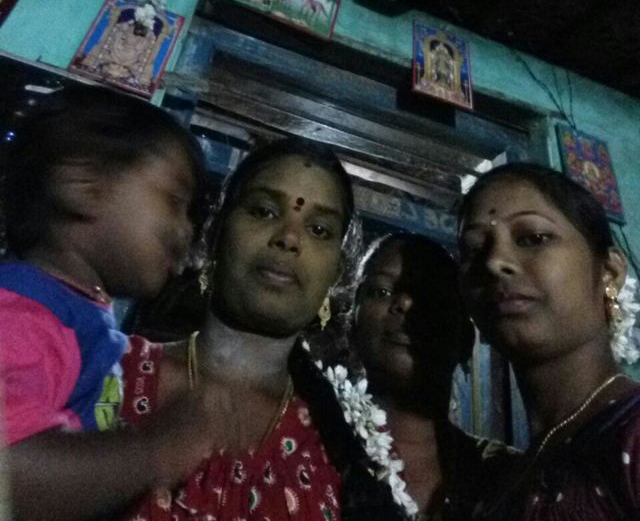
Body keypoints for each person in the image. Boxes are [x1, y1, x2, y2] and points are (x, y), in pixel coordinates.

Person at [119, 137, 405, 521]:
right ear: (215, 234)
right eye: (264, 211)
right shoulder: (113, 373)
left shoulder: (341, 446)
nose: (289, 238)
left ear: (335, 274)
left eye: (319, 229)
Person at [1, 84, 225, 521]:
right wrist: (155, 451)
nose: (186, 230)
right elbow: (10, 473)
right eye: (173, 201)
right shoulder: (23, 316)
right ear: (82, 185)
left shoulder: (76, 319)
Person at [458, 162, 640, 520]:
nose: (494, 262)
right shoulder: (501, 479)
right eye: (474, 250)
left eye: (533, 238)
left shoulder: (632, 433)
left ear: (609, 272)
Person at [351, 232, 514, 520]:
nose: (405, 304)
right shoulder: (310, 443)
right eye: (382, 291)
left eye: (430, 297)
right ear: (352, 321)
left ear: (465, 340)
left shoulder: (508, 478)